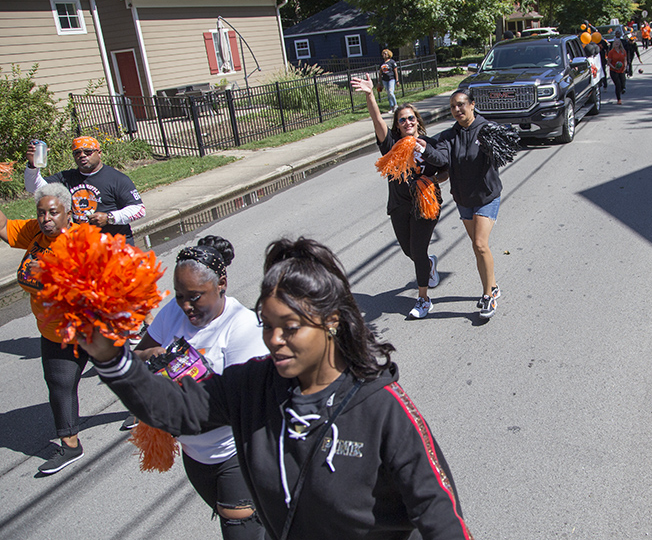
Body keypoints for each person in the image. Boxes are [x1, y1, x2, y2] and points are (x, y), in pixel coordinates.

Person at [78, 237, 473, 540]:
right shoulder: (251, 385)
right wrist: (112, 359)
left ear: (331, 321)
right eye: (267, 325)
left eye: (291, 326)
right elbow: (176, 410)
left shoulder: (384, 410)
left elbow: (440, 516)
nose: (274, 339)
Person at [131, 235, 267, 539]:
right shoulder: (173, 312)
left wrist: (173, 383)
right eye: (180, 295)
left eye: (195, 296)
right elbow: (138, 356)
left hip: (237, 457)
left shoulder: (243, 328)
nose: (186, 306)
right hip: (196, 457)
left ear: (221, 283)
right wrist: (153, 359)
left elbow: (239, 408)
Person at [25, 136, 149, 359]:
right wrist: (33, 166)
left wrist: (109, 217)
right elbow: (35, 188)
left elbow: (139, 210)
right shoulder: (67, 178)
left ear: (99, 152)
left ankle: (139, 331)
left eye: (87, 151)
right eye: (77, 153)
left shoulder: (116, 179)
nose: (82, 156)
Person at [0, 183, 90, 474]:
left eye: (53, 212)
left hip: (91, 331)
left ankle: (150, 411)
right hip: (54, 331)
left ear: (68, 214)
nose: (46, 218)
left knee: (124, 379)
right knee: (60, 386)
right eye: (41, 213)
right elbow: (3, 227)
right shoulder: (34, 234)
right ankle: (71, 445)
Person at [350, 75, 448, 319]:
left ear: (418, 122)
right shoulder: (391, 145)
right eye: (402, 119)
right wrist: (370, 95)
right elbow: (376, 122)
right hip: (399, 205)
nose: (407, 122)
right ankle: (428, 264)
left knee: (417, 248)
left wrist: (431, 178)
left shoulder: (429, 143)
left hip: (426, 204)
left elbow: (445, 166)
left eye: (411, 118)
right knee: (410, 251)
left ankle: (423, 299)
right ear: (397, 124)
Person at [419, 89, 503, 319]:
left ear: (472, 105)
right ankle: (493, 285)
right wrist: (424, 148)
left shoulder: (487, 130)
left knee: (479, 244)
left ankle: (489, 297)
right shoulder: (449, 136)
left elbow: (504, 151)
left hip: (486, 196)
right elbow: (442, 159)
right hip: (463, 198)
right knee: (478, 247)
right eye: (453, 106)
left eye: (461, 104)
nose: (457, 109)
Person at [607, 39, 627, 105]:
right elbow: (608, 62)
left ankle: (623, 88)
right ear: (613, 44)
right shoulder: (611, 52)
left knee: (623, 82)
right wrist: (613, 67)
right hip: (614, 70)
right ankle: (619, 99)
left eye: (618, 42)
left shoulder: (623, 51)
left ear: (620, 44)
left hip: (621, 70)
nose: (617, 44)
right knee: (617, 84)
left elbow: (625, 60)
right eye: (615, 43)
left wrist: (625, 67)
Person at [379, 49, 399, 113]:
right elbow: (380, 73)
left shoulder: (392, 62)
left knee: (391, 92)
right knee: (388, 93)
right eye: (383, 53)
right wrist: (379, 82)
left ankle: (396, 105)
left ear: (388, 54)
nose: (384, 55)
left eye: (385, 53)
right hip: (385, 80)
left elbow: (396, 71)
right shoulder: (382, 63)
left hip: (391, 79)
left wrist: (397, 80)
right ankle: (391, 107)